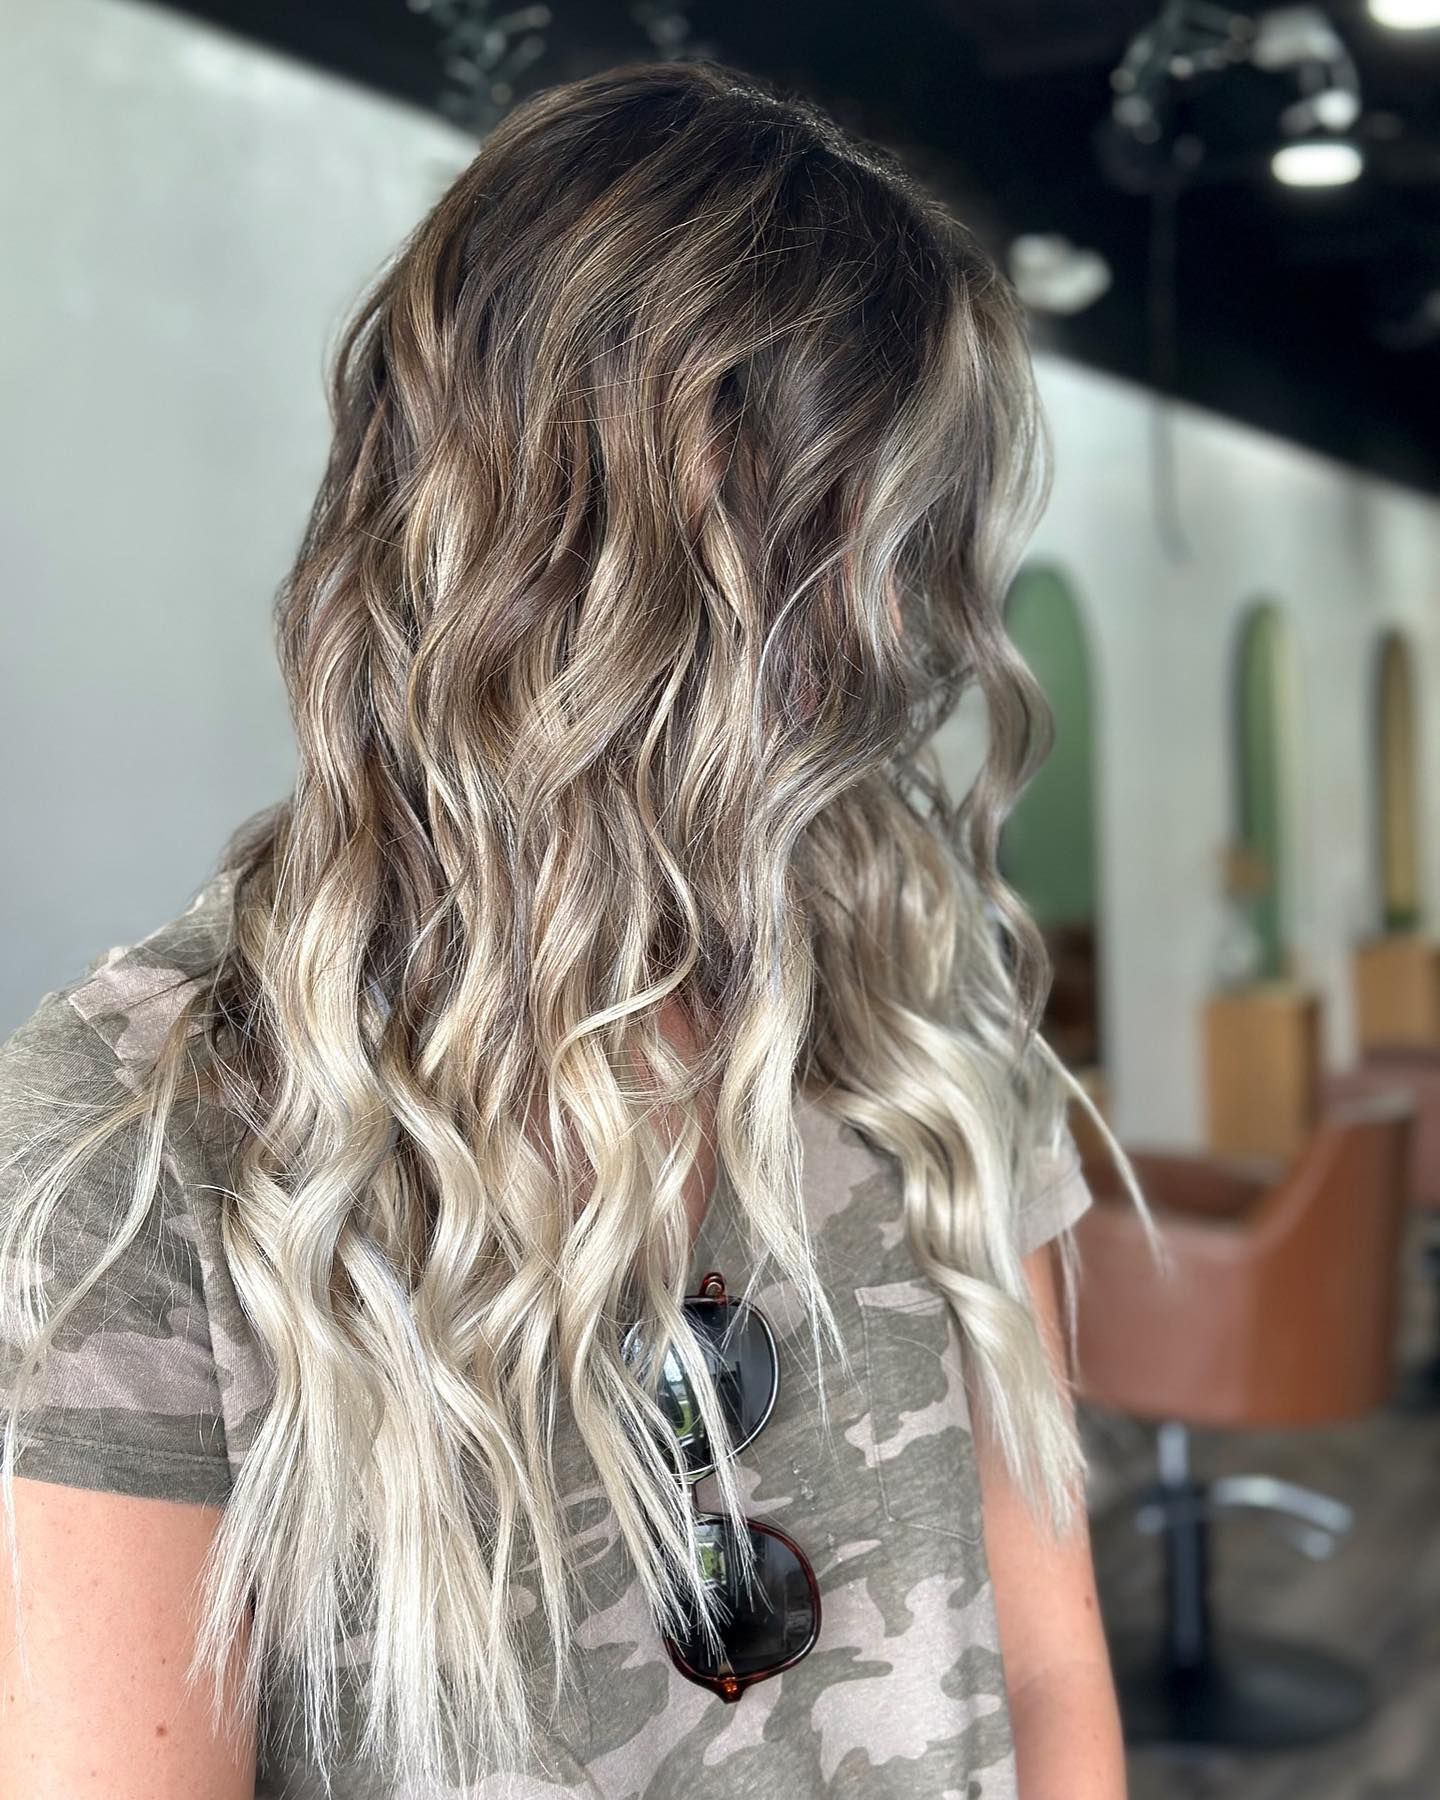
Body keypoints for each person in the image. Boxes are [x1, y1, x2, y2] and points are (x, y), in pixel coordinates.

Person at [0, 58, 1132, 1799]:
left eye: (892, 548)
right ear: (508, 541)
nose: (868, 639)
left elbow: (1048, 1673)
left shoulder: (920, 1007)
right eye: (785, 540)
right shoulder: (139, 1150)